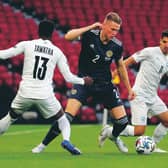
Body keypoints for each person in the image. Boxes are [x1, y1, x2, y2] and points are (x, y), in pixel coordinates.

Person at [32, 12, 135, 154]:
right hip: (84, 82)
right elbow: (68, 36)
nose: (114, 33)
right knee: (66, 117)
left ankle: (113, 136)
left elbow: (121, 67)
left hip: (105, 84)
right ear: (103, 25)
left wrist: (129, 89)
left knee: (123, 122)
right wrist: (91, 26)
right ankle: (42, 146)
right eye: (112, 29)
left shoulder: (117, 46)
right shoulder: (90, 34)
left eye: (117, 30)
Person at [0, 20, 94, 155]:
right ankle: (66, 140)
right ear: (52, 34)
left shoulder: (27, 44)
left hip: (25, 93)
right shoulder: (57, 52)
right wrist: (84, 81)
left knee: (10, 117)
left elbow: (3, 54)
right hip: (45, 95)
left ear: (38, 31)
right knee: (62, 119)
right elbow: (68, 77)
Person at [98, 29, 168, 153]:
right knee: (139, 131)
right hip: (139, 95)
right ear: (160, 41)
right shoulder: (149, 52)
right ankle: (108, 131)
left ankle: (153, 145)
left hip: (153, 96)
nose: (166, 45)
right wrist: (114, 73)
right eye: (164, 42)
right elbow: (127, 62)